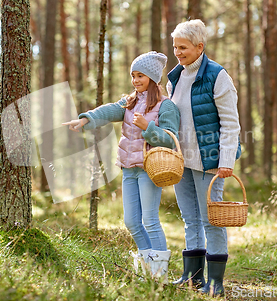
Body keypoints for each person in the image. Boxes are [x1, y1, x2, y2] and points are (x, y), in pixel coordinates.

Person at [63, 52, 180, 282]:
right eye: (133, 76)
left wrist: (149, 127)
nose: (136, 80)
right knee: (131, 222)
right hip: (128, 169)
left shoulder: (165, 106)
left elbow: (171, 139)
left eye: (141, 76)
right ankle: (149, 268)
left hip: (150, 169)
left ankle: (160, 275)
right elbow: (107, 111)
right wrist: (85, 119)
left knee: (150, 220)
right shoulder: (130, 102)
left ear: (153, 77)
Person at [167, 19, 241, 296]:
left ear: (200, 47)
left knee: (212, 220)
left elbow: (231, 123)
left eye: (183, 47)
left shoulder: (217, 75)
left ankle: (216, 282)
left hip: (209, 161)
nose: (178, 52)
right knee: (190, 218)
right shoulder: (175, 77)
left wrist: (226, 161)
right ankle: (193, 277)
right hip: (180, 161)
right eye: (175, 47)